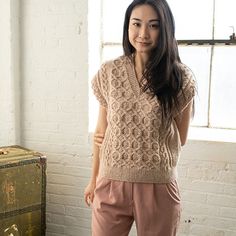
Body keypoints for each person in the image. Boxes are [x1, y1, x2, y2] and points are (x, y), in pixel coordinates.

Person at [84, 0, 196, 235]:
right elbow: (101, 134)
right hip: (110, 183)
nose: (143, 33)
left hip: (158, 186)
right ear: (128, 27)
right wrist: (93, 179)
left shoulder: (180, 78)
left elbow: (181, 138)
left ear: (165, 30)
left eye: (153, 26)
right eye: (136, 24)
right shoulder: (110, 72)